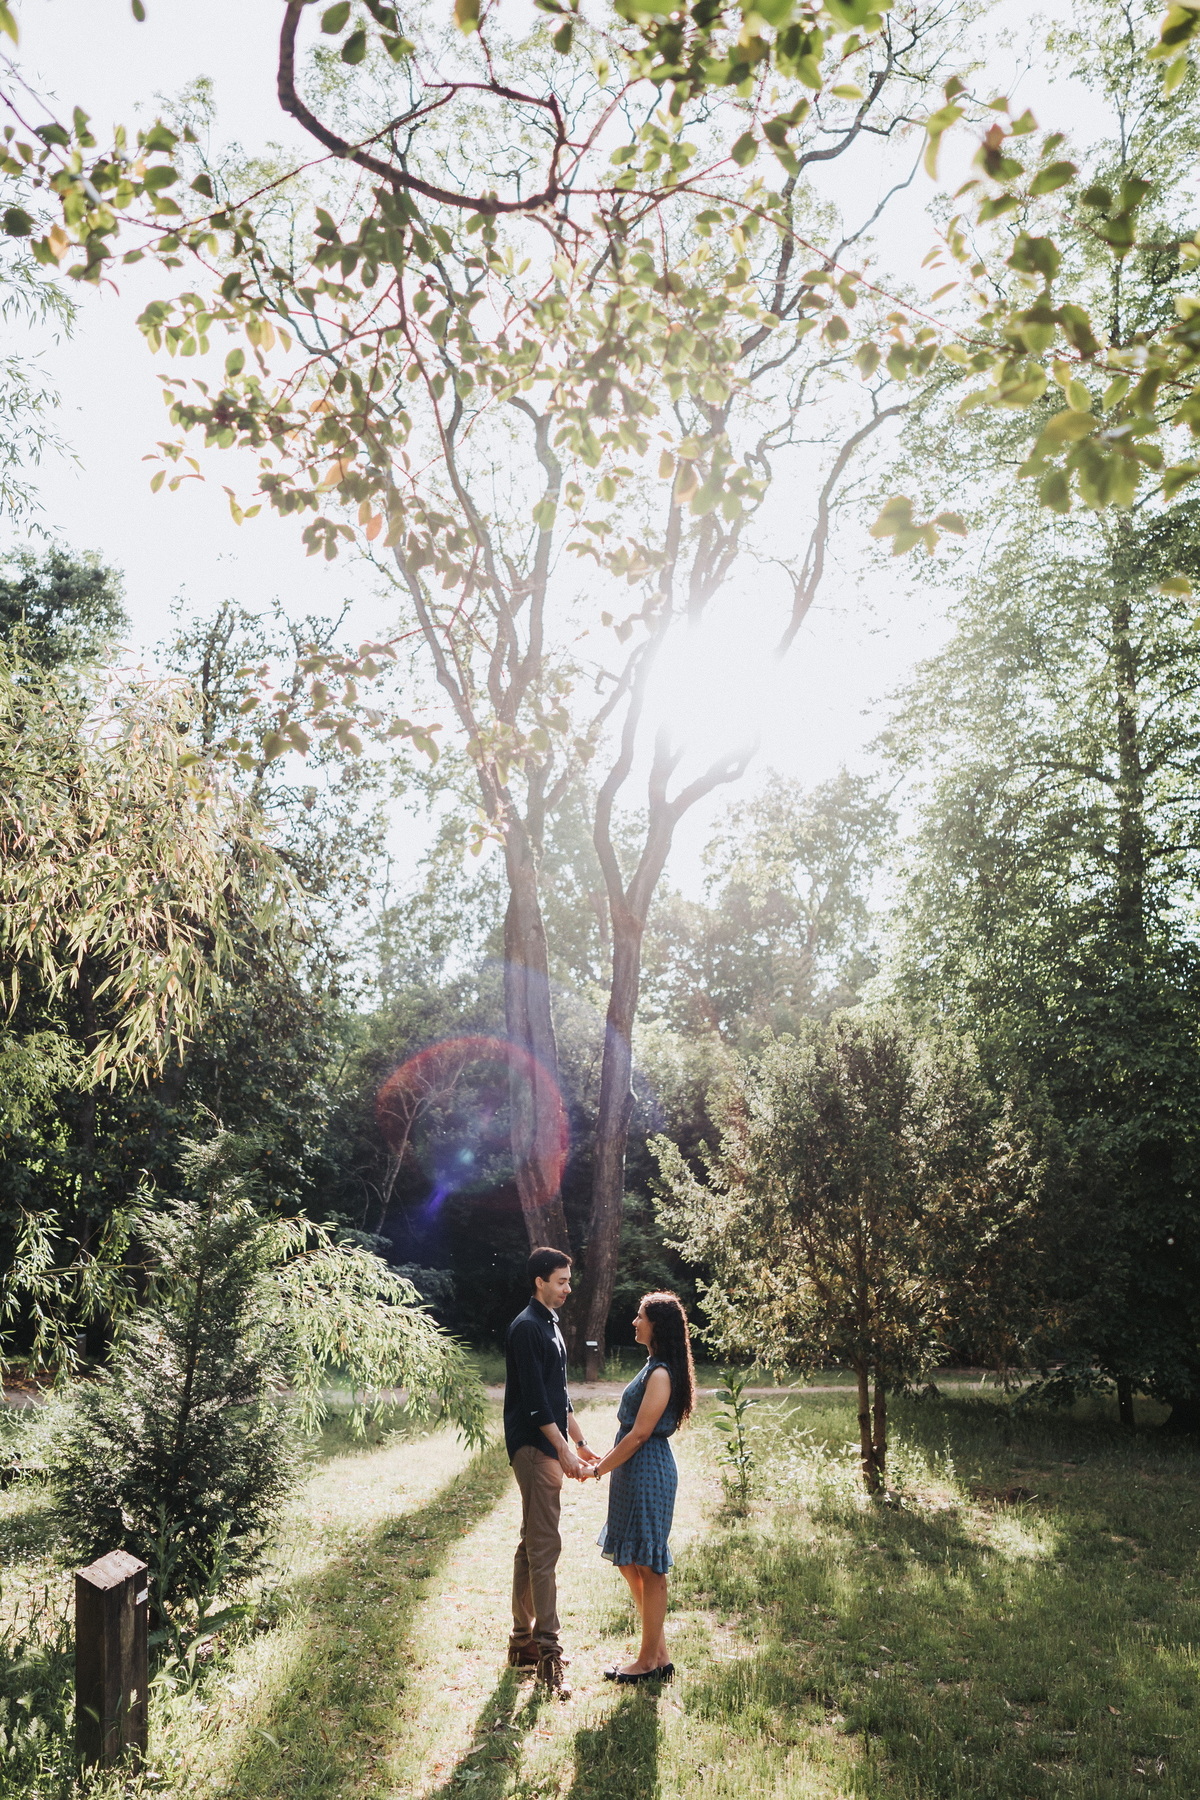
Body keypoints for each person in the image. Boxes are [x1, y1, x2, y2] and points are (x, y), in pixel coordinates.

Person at [586, 1290, 695, 1684]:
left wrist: (598, 1469)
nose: (634, 1322)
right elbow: (630, 1436)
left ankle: (647, 1662)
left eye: (640, 1317)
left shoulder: (661, 1373)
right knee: (629, 1560)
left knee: (649, 1565)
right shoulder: (652, 1366)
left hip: (648, 1471)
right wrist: (604, 1462)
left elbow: (639, 1434)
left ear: (657, 1325)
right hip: (632, 1471)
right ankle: (659, 1654)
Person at [503, 1246, 598, 1697]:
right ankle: (547, 1651)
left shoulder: (550, 1324)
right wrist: (562, 1451)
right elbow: (537, 1404)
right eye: (560, 1281)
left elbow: (559, 1394)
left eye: (568, 1281)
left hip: (550, 1444)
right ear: (540, 1281)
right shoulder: (526, 1327)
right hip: (533, 1447)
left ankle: (522, 1643)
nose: (567, 1288)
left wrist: (579, 1441)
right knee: (545, 1546)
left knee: (532, 1544)